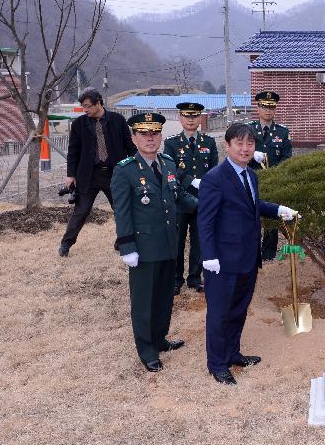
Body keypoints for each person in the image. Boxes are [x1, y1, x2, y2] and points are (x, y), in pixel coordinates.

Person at [197, 123, 298, 385]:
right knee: (219, 313)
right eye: (239, 144)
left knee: (239, 309)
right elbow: (205, 222)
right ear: (227, 145)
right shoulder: (214, 178)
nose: (245, 149)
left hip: (247, 258)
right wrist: (209, 256)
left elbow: (253, 206)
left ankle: (232, 353)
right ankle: (217, 363)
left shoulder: (250, 175)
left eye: (250, 144)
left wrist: (277, 210)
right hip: (221, 261)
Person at [111, 112, 197, 372]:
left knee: (163, 297)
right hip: (143, 249)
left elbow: (179, 196)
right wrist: (127, 246)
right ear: (134, 137)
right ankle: (146, 350)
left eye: (155, 133)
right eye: (144, 134)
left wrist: (206, 207)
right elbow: (122, 212)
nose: (150, 138)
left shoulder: (168, 163)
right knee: (144, 302)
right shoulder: (124, 170)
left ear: (160, 135)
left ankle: (159, 339)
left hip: (169, 244)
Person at [59, 87, 135, 257]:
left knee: (121, 209)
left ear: (98, 102)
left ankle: (122, 241)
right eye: (83, 107)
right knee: (81, 210)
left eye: (87, 106)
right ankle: (66, 243)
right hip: (89, 175)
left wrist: (139, 166)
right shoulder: (79, 124)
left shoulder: (118, 120)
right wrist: (71, 175)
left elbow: (129, 146)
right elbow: (73, 151)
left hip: (115, 174)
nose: (85, 110)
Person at [163, 102, 219, 294]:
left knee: (199, 240)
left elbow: (214, 170)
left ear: (200, 118)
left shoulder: (209, 142)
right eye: (187, 116)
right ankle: (176, 280)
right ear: (180, 118)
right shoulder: (171, 143)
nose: (190, 119)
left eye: (194, 116)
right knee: (177, 241)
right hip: (179, 199)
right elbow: (169, 169)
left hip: (202, 200)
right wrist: (191, 181)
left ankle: (195, 278)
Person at [248, 91, 293, 260]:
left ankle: (268, 256)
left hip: (273, 182)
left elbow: (287, 157)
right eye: (264, 107)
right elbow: (238, 154)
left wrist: (276, 175)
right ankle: (252, 255)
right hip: (251, 181)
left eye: (271, 107)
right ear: (258, 108)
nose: (268, 110)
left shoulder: (282, 132)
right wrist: (252, 154)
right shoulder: (248, 129)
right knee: (250, 219)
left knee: (271, 221)